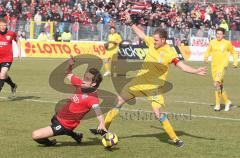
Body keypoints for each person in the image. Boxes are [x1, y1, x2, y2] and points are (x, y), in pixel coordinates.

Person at [90, 12, 207, 147]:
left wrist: (195, 71)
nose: (154, 41)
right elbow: (141, 35)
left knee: (158, 113)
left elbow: (182, 66)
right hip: (139, 82)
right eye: (154, 39)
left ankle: (175, 139)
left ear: (163, 40)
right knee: (119, 101)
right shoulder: (151, 42)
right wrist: (131, 23)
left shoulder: (170, 52)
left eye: (156, 40)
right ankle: (103, 129)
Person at [32, 56, 107, 146]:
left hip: (65, 125)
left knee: (35, 135)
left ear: (93, 83)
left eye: (87, 79)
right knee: (53, 121)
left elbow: (98, 111)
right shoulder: (81, 84)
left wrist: (102, 123)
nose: (83, 79)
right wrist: (70, 65)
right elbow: (68, 73)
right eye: (84, 77)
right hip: (58, 116)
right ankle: (76, 136)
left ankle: (51, 143)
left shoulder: (93, 98)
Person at [204, 27, 238, 112]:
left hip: (222, 66)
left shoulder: (227, 43)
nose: (218, 35)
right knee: (219, 85)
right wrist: (206, 57)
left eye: (220, 34)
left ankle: (217, 105)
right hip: (214, 67)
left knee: (216, 83)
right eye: (217, 33)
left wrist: (235, 62)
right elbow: (208, 51)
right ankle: (227, 101)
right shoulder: (212, 42)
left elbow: (234, 52)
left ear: (223, 35)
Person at [0, 18, 18, 96]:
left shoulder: (11, 33)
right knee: (4, 75)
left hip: (7, 58)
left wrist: (19, 51)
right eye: (1, 25)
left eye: (4, 25)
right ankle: (13, 85)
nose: (3, 27)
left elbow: (18, 40)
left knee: (2, 74)